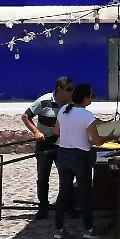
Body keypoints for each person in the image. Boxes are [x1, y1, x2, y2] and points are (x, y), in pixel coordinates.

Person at [53, 83, 119, 239]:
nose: (92, 98)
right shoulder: (86, 115)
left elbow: (57, 132)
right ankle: (88, 230)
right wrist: (111, 136)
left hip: (63, 154)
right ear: (85, 98)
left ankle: (58, 230)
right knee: (85, 194)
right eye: (91, 96)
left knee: (63, 193)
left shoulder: (63, 110)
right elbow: (96, 140)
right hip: (80, 157)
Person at [21, 77, 73, 221]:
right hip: (45, 142)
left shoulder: (71, 104)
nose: (71, 92)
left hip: (62, 143)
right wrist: (36, 132)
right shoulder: (44, 101)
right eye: (69, 89)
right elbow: (25, 116)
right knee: (43, 176)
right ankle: (43, 207)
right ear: (59, 90)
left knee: (66, 175)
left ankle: (67, 206)